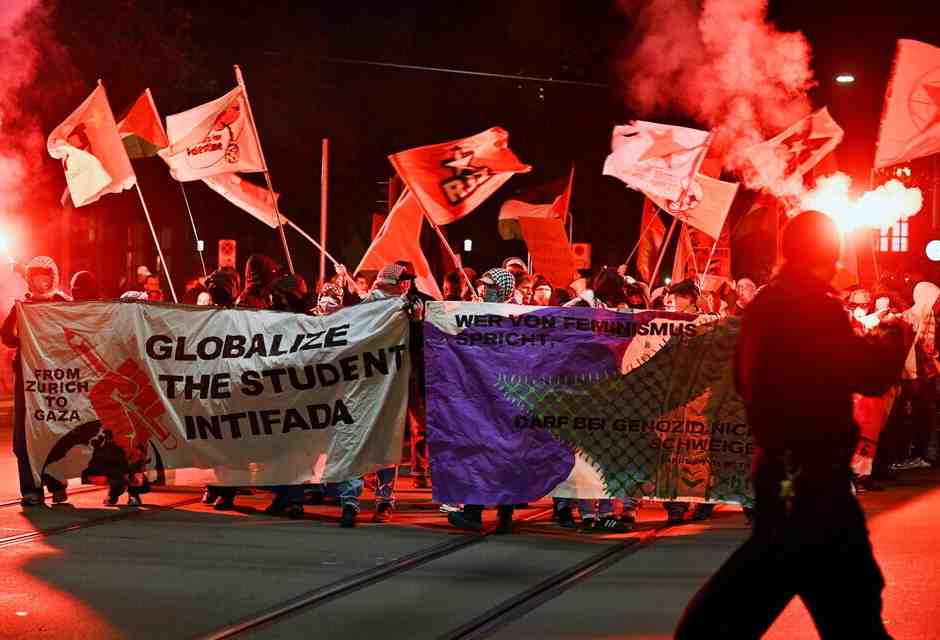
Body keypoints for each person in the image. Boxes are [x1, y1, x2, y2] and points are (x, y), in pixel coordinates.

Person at [674, 211, 909, 639]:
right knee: (836, 606)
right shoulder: (815, 307)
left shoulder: (765, 305)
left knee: (815, 598)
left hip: (780, 471)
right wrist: (894, 338)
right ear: (829, 252)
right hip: (811, 478)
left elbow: (743, 382)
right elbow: (867, 374)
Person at [447, 267, 520, 534]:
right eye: (483, 284)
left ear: (503, 289)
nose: (483, 289)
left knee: (506, 455)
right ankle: (474, 511)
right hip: (480, 396)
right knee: (477, 451)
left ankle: (505, 512)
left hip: (507, 396)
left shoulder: (519, 315)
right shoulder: (475, 312)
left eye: (489, 285)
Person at [1, 256, 71, 506]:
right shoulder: (23, 305)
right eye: (35, 277)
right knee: (26, 432)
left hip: (55, 377)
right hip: (28, 377)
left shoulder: (63, 304)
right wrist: (26, 341)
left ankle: (57, 482)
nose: (40, 281)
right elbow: (7, 336)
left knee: (55, 427)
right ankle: (31, 488)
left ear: (52, 278)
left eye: (45, 276)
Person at [661, 279, 717, 523]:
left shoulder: (710, 322)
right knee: (673, 449)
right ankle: (676, 504)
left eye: (679, 297)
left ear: (690, 299)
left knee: (700, 449)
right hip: (675, 397)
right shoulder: (668, 323)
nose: (674, 302)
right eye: (673, 297)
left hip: (701, 398)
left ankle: (704, 499)